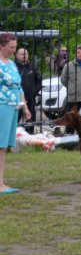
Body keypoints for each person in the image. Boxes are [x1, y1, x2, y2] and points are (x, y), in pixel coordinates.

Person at [0, 34, 32, 193]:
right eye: (11, 47)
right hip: (2, 106)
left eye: (15, 47)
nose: (13, 50)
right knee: (0, 145)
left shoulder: (12, 64)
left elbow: (19, 87)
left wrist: (25, 107)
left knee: (4, 146)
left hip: (13, 107)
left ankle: (1, 182)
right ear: (1, 46)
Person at [15, 47, 42, 134]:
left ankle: (30, 136)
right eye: (22, 54)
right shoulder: (13, 67)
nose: (24, 56)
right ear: (17, 56)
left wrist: (33, 93)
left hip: (30, 100)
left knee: (30, 122)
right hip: (16, 100)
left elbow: (38, 81)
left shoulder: (32, 67)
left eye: (26, 54)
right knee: (14, 122)